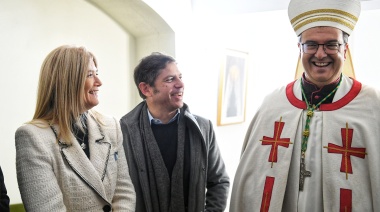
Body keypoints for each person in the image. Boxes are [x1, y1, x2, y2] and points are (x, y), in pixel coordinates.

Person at [230, 0, 380, 211]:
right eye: (311, 45)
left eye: (331, 44)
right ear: (299, 49)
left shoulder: (372, 106)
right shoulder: (272, 105)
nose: (320, 54)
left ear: (345, 50)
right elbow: (249, 183)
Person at [15, 45, 136, 211]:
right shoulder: (32, 137)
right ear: (68, 82)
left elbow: (124, 193)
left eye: (97, 73)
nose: (99, 82)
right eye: (90, 75)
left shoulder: (111, 126)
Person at [120, 52, 230, 212]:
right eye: (170, 79)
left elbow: (219, 182)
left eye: (180, 77)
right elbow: (117, 190)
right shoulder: (123, 132)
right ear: (146, 89)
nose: (180, 84)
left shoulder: (203, 128)